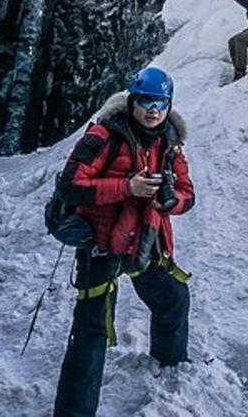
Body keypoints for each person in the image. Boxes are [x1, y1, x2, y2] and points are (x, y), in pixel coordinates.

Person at [53, 67, 195, 417]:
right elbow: (70, 186)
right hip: (100, 243)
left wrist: (170, 202)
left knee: (173, 298)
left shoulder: (170, 143)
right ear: (132, 101)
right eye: (146, 101)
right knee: (91, 332)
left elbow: (188, 195)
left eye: (160, 103)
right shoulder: (103, 136)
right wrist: (126, 188)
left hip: (144, 241)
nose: (153, 110)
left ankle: (170, 368)